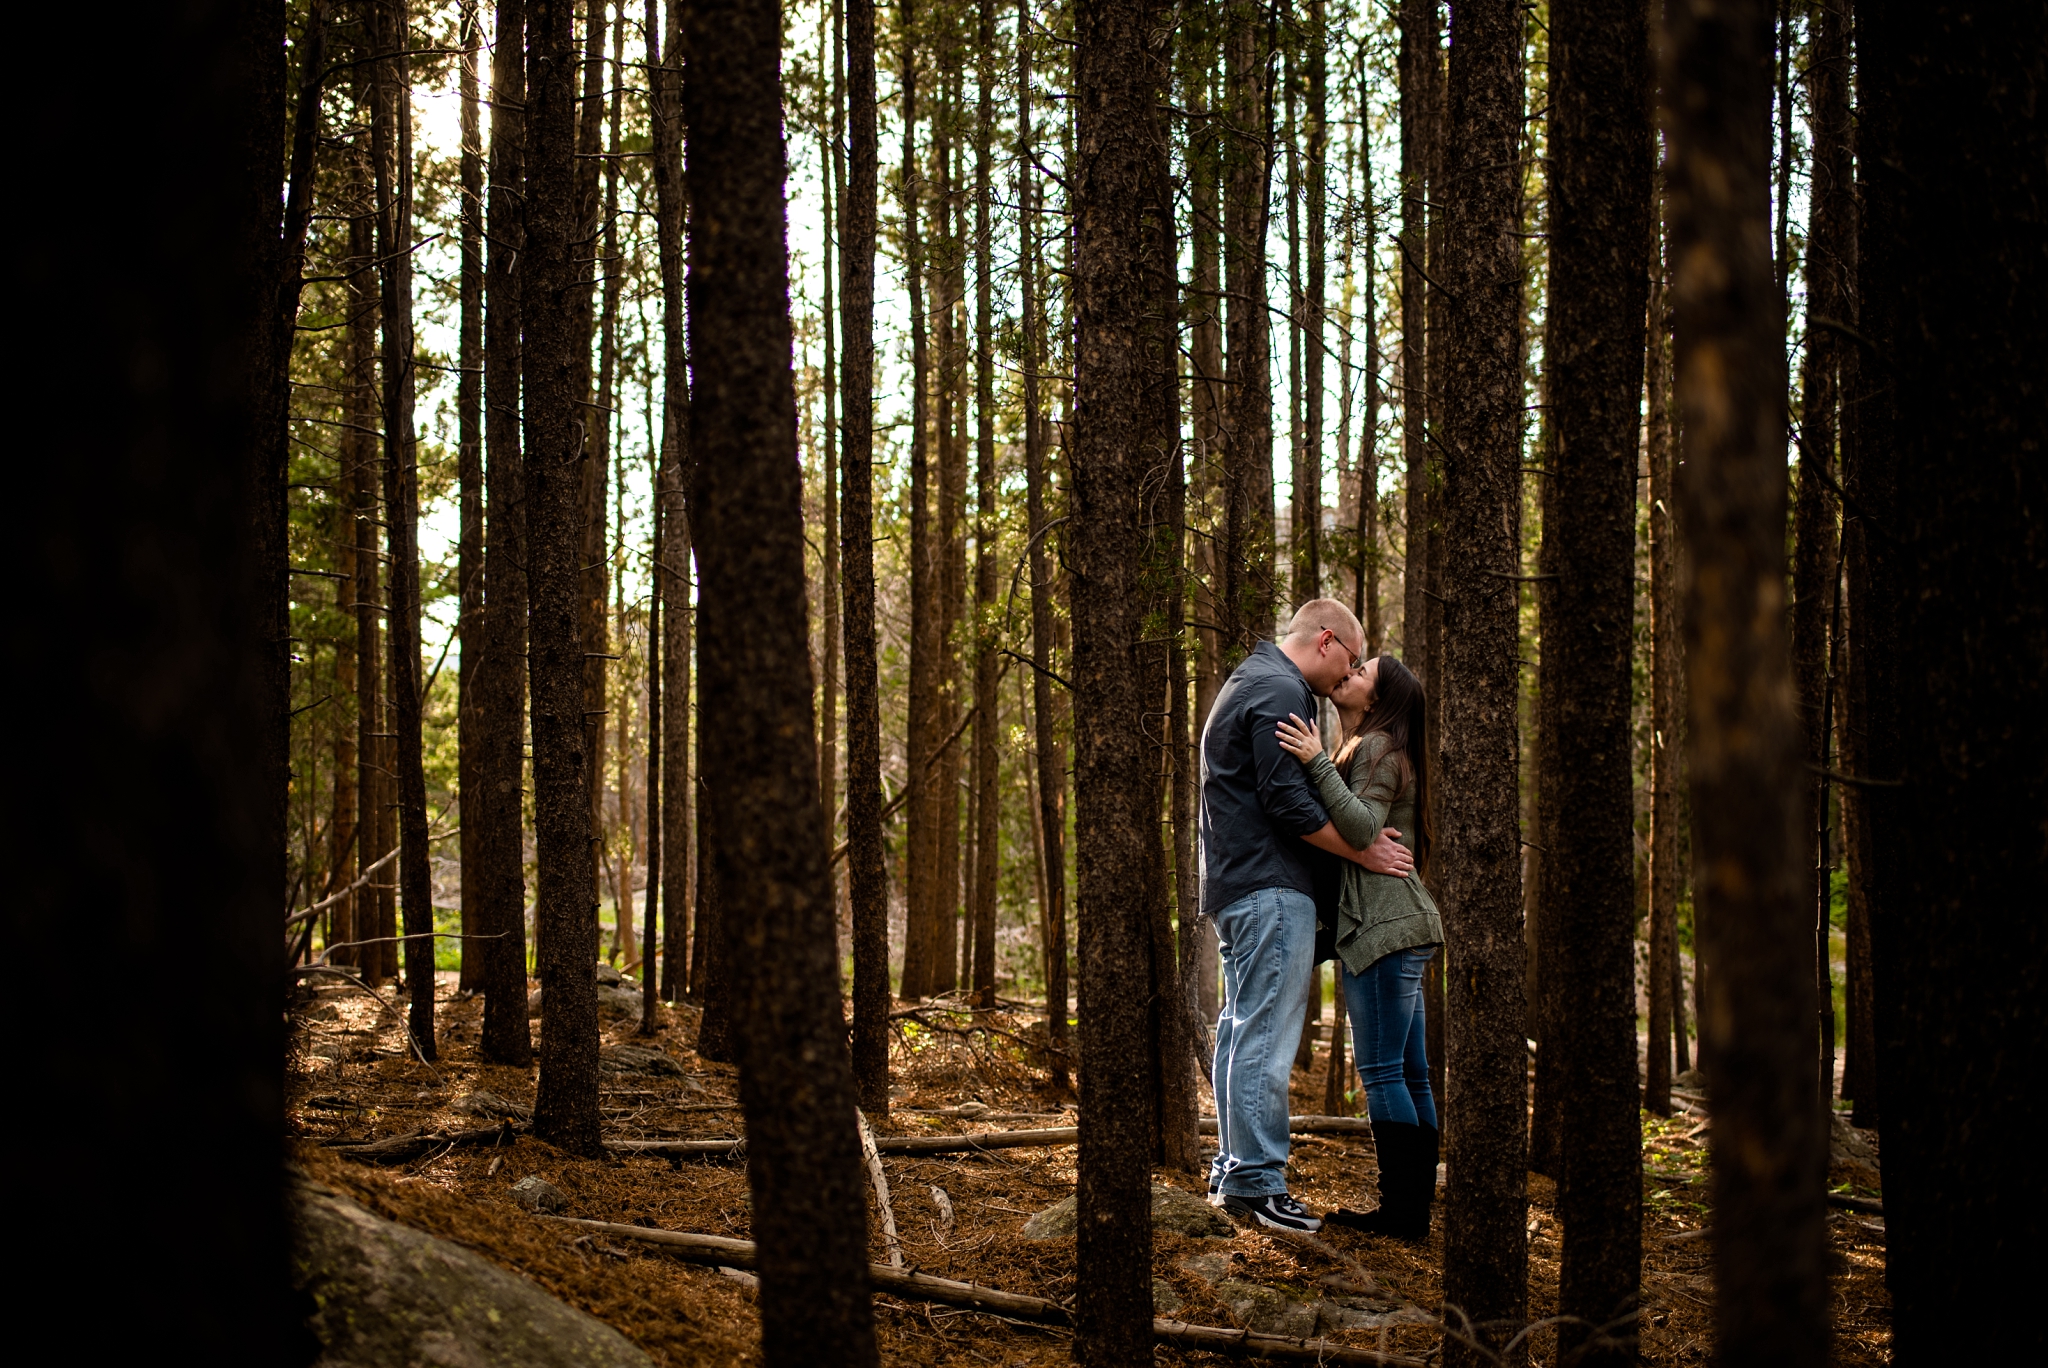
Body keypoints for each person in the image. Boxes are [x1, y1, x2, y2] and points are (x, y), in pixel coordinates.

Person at [1199, 600, 1415, 1233]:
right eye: (1350, 660)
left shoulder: (1251, 677)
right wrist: (1363, 848)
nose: (1348, 675)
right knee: (1263, 1034)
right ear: (1327, 641)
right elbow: (1286, 800)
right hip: (1269, 886)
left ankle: (1234, 1168)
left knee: (1241, 1028)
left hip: (1240, 886)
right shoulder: (1279, 687)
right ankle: (1257, 1181)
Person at [1275, 653, 1443, 1240]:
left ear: (1376, 699)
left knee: (1381, 1073)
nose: (1349, 673)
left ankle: (1401, 1212)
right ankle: (1413, 1211)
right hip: (1404, 925)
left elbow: (1364, 830)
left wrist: (1317, 762)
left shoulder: (1375, 748)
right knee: (1411, 1074)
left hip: (1382, 929)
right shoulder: (1380, 748)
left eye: (1362, 671)